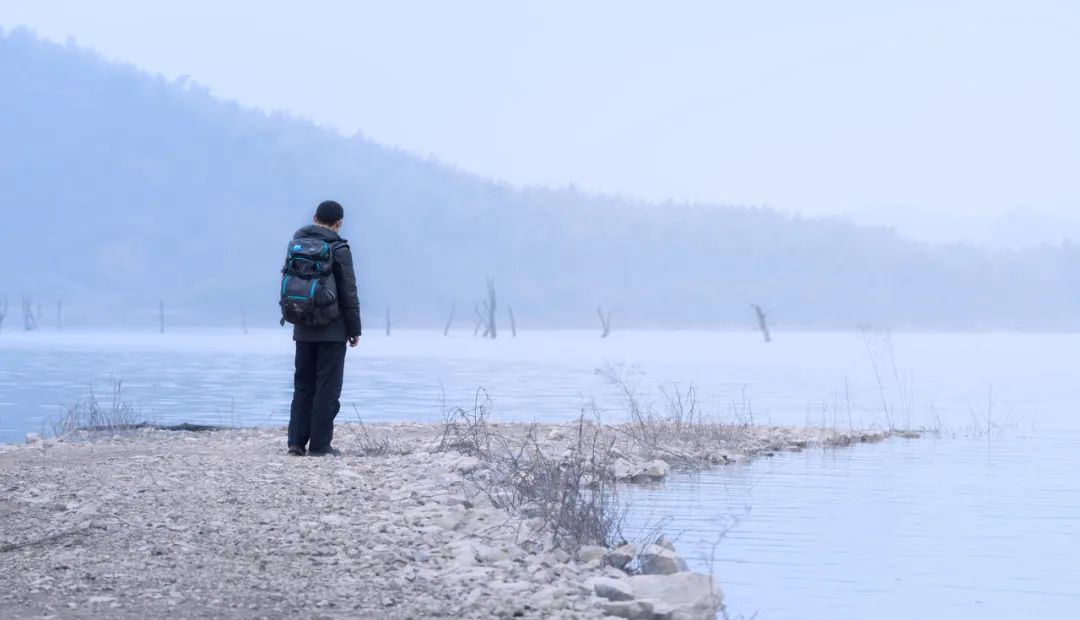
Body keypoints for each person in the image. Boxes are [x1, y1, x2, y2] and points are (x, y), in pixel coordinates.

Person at [285, 200, 362, 456]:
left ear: (315, 216)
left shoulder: (296, 245)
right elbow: (348, 292)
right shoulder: (339, 248)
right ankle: (320, 446)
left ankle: (296, 443)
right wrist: (354, 329)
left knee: (303, 386)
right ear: (339, 223)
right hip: (332, 329)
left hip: (302, 325)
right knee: (327, 389)